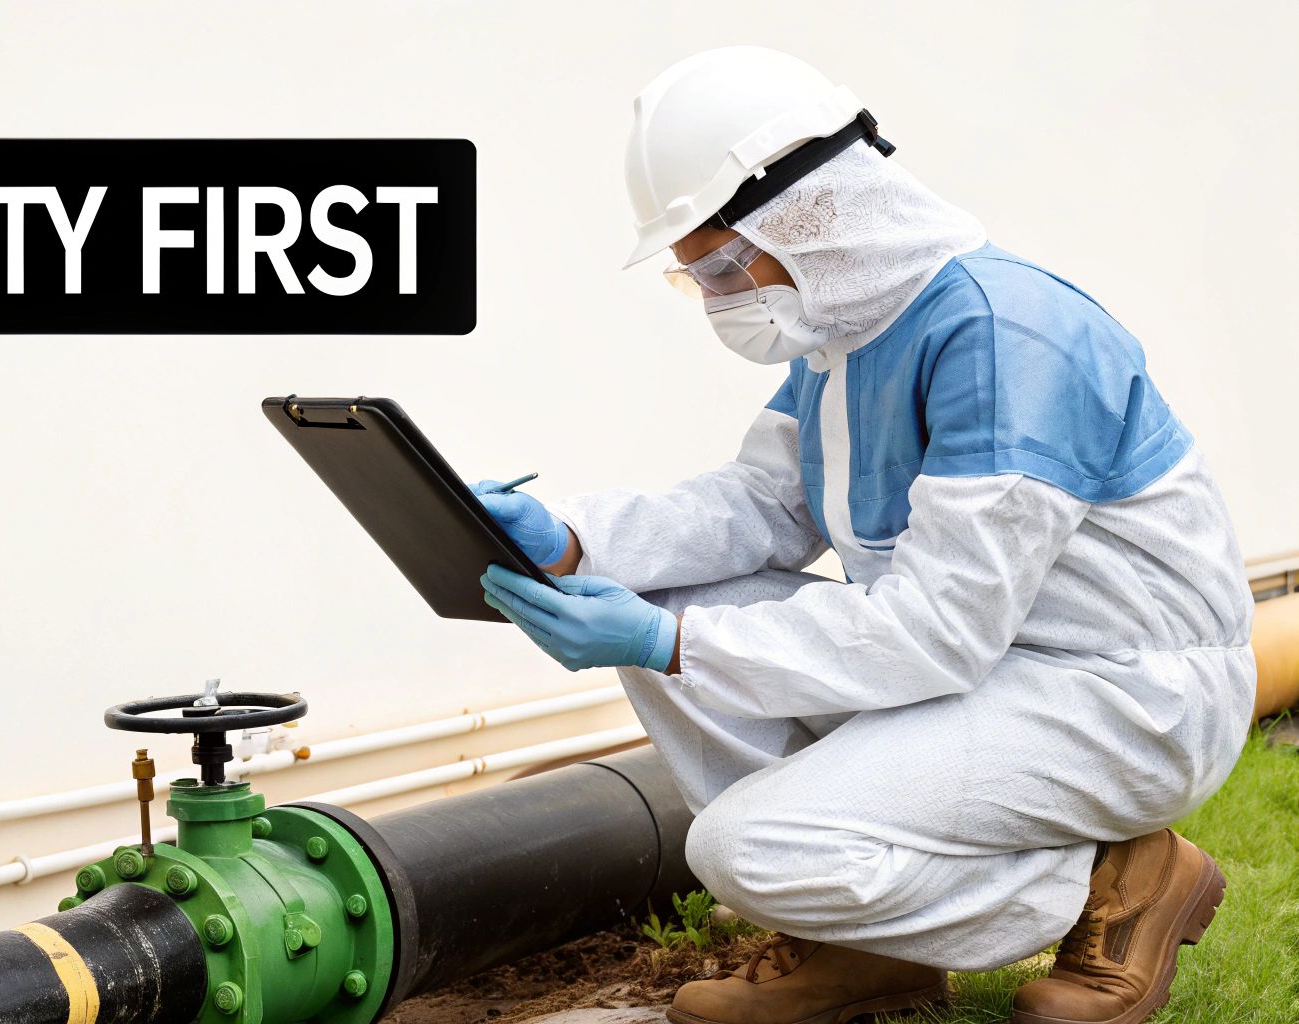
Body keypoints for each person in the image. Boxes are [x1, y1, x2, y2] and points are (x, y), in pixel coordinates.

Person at [473, 46, 1254, 1024]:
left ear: (809, 209)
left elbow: (935, 634)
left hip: (1116, 692)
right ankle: (864, 947)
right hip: (988, 666)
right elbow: (762, 505)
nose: (716, 296)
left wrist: (664, 643)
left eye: (719, 263)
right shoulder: (847, 332)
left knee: (738, 847)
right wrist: (572, 537)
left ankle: (1117, 874)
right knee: (670, 608)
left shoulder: (1001, 337)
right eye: (696, 277)